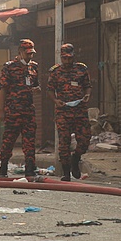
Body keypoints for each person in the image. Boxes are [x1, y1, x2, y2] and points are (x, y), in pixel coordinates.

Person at [46, 42, 92, 181]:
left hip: (79, 110)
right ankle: (66, 172)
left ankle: (75, 159)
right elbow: (50, 90)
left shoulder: (81, 69)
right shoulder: (55, 71)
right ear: (61, 57)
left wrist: (87, 95)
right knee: (64, 142)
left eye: (69, 58)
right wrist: (55, 101)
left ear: (73, 56)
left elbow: (87, 86)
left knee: (84, 139)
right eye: (64, 58)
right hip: (63, 111)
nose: (67, 61)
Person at [0, 38, 41, 179]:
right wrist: (1, 110)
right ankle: (3, 166)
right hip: (13, 110)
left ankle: (30, 168)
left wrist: (36, 89)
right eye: (27, 54)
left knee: (29, 141)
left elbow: (35, 84)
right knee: (8, 140)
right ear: (20, 52)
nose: (29, 57)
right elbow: (3, 89)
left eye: (31, 54)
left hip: (28, 111)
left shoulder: (34, 67)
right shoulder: (9, 67)